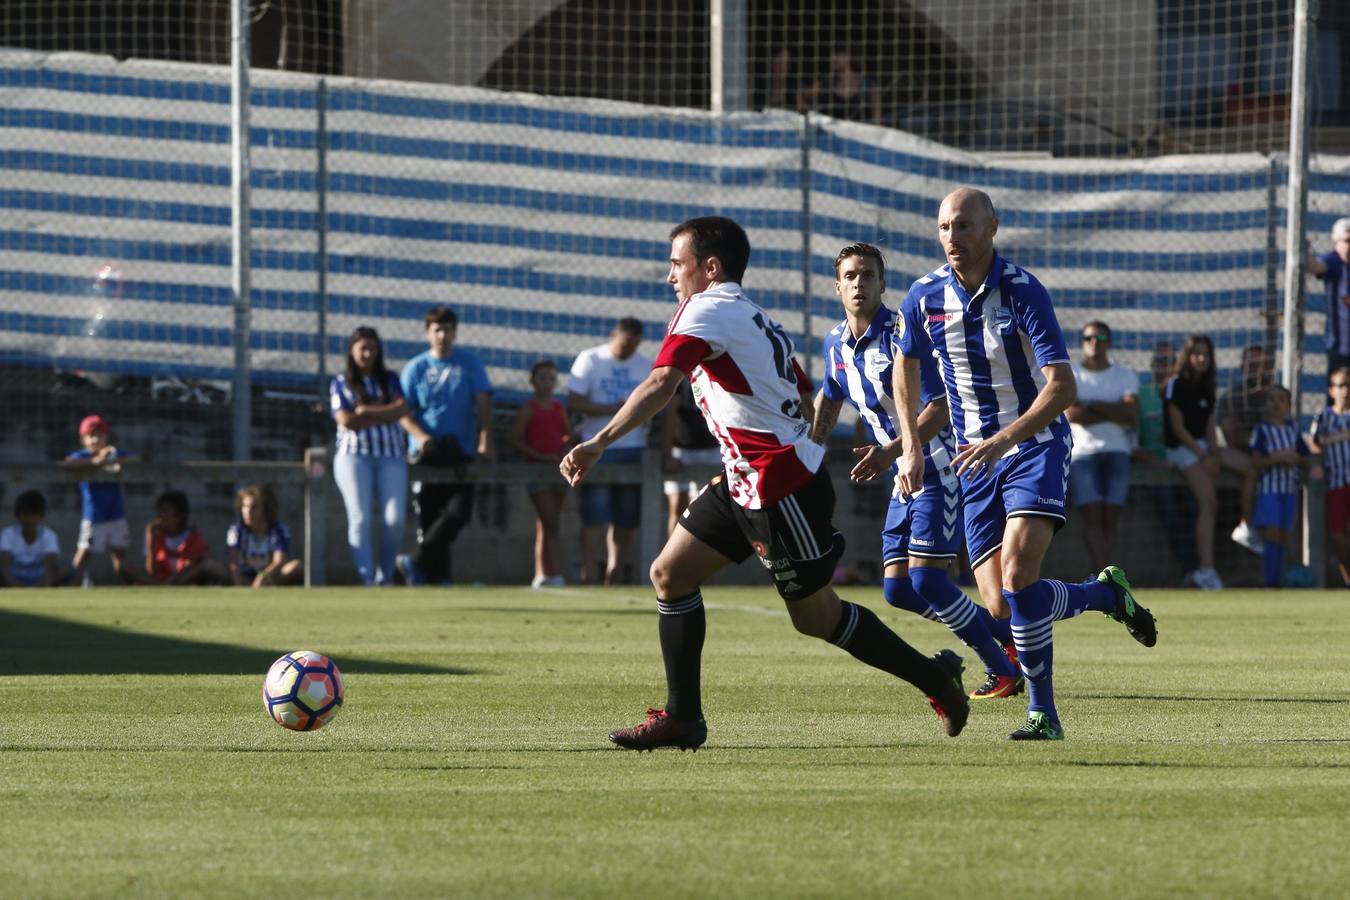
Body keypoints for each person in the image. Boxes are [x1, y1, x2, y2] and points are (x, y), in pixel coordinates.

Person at [560, 215, 970, 752]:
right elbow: (801, 395)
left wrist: (599, 441)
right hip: (747, 477)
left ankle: (935, 679)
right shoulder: (755, 316)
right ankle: (684, 718)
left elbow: (664, 381)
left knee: (816, 617)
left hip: (777, 486)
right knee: (670, 574)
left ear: (709, 268)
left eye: (675, 264)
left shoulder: (704, 308)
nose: (670, 277)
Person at [895, 187, 1157, 742]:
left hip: (1034, 445)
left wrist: (1003, 439)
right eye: (944, 227)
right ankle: (1107, 595)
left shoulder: (1021, 291)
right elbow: (905, 368)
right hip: (975, 460)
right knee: (1001, 604)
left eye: (964, 226)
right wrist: (910, 446)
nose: (952, 238)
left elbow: (1062, 388)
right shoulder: (923, 296)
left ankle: (1044, 715)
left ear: (992, 227)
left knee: (1018, 576)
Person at [813, 242, 1021, 700]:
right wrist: (809, 447)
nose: (859, 284)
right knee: (899, 590)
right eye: (850, 276)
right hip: (904, 474)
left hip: (940, 466)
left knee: (928, 579)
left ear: (882, 285)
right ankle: (1005, 638)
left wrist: (892, 451)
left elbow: (942, 405)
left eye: (868, 275)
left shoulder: (903, 335)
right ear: (837, 286)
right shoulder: (834, 344)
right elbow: (829, 395)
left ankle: (1002, 668)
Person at [398, 307, 494, 586]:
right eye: (437, 330)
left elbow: (483, 402)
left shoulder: (469, 363)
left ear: (455, 332)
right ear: (428, 333)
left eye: (448, 329)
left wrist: (486, 436)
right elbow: (403, 411)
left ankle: (414, 562)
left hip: (460, 451)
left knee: (458, 513)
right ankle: (438, 577)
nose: (443, 335)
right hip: (426, 453)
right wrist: (422, 436)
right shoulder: (416, 367)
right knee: (429, 517)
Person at [1163, 333, 1256, 590]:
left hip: (1203, 448)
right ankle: (1206, 570)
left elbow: (1209, 425)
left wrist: (1214, 454)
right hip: (1180, 449)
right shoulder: (1175, 383)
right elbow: (1177, 428)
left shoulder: (1208, 384)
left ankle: (1246, 526)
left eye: (1206, 354)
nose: (1201, 358)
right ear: (1187, 356)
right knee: (1210, 502)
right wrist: (1204, 456)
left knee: (1249, 467)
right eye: (1196, 353)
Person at [567, 317, 653, 585]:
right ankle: (588, 569)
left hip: (633, 446)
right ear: (614, 335)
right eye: (624, 342)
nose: (628, 349)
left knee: (626, 516)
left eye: (633, 344)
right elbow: (575, 401)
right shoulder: (590, 359)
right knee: (594, 513)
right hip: (596, 446)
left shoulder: (644, 365)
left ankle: (614, 570)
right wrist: (618, 410)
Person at [331, 326, 409, 586]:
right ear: (352, 350)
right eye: (363, 348)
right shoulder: (341, 382)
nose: (368, 353)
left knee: (395, 519)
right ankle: (367, 578)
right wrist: (380, 414)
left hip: (390, 455)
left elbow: (401, 410)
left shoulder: (390, 379)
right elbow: (346, 420)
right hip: (354, 456)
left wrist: (365, 411)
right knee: (360, 517)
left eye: (373, 348)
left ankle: (385, 575)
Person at [1066, 321, 1139, 573]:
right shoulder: (1072, 373)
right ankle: (1102, 575)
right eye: (1089, 338)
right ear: (1082, 342)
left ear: (1110, 341)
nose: (1095, 342)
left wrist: (1091, 404)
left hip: (1118, 450)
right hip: (1082, 453)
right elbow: (1072, 414)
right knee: (1092, 516)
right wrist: (1112, 409)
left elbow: (1131, 413)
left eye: (1100, 337)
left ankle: (1105, 573)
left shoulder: (1125, 375)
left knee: (1111, 518)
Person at [509, 359, 571, 588]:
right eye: (543, 377)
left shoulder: (558, 407)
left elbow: (566, 434)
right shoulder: (528, 408)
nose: (548, 382)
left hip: (558, 471)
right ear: (533, 381)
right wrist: (540, 456)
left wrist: (565, 448)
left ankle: (545, 573)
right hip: (536, 471)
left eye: (552, 378)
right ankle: (550, 571)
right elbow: (516, 439)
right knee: (549, 520)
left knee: (547, 523)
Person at [61, 414, 135, 585]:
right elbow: (67, 464)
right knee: (84, 553)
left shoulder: (111, 453)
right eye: (91, 436)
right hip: (94, 516)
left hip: (115, 514)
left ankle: (131, 587)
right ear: (83, 439)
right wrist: (95, 461)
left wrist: (112, 457)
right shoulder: (82, 456)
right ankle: (71, 586)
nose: (95, 439)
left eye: (99, 435)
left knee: (120, 557)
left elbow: (135, 459)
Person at [1248, 385, 1309, 587]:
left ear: (1288, 405)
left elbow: (1305, 457)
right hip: (1269, 491)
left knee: (1285, 535)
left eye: (1280, 400)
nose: (1275, 403)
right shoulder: (1261, 431)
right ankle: (1270, 582)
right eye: (1271, 399)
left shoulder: (1293, 429)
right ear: (1265, 405)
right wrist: (1277, 458)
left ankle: (1282, 579)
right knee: (1272, 534)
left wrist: (1296, 458)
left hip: (1289, 490)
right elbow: (1255, 461)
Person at [1215, 344, 1269, 555]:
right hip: (1241, 459)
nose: (1256, 369)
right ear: (1242, 368)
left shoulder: (1275, 395)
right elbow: (1233, 435)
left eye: (1261, 364)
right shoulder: (1232, 397)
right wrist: (1264, 439)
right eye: (1251, 364)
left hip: (1271, 461)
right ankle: (1246, 526)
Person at [660, 379, 723, 538]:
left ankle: (697, 556)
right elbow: (670, 413)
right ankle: (674, 557)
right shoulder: (680, 375)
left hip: (712, 448)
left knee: (703, 508)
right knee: (676, 507)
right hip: (681, 448)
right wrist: (667, 454)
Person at [1308, 367, 1350, 585]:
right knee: (1337, 536)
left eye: (1348, 386)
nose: (1346, 391)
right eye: (1341, 385)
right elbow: (1314, 444)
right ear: (1332, 390)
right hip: (1337, 483)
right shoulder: (1323, 418)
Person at [144, 491, 228, 585]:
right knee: (127, 567)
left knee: (209, 566)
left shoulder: (194, 537)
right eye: (159, 511)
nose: (159, 516)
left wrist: (172, 581)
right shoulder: (156, 535)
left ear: (180, 515)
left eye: (165, 511)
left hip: (183, 580)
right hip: (161, 581)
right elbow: (151, 571)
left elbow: (191, 567)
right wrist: (150, 541)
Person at [226, 484, 303, 587]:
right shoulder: (236, 530)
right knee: (213, 568)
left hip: (269, 576)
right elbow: (233, 561)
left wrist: (262, 576)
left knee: (296, 566)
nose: (248, 512)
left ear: (266, 508)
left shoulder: (278, 530)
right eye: (245, 506)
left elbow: (279, 561)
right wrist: (239, 583)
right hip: (244, 576)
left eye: (254, 507)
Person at [1307, 217, 1350, 376]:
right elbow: (1316, 267)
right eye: (1347, 241)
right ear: (1335, 243)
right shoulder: (1335, 264)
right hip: (1341, 350)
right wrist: (1304, 252)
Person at [0, 490, 70, 587]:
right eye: (25, 514)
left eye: (34, 514)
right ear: (17, 516)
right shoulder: (8, 534)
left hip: (39, 576)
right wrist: (16, 586)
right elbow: (5, 566)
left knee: (68, 568)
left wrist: (43, 586)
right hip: (15, 575)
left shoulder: (49, 535)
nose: (29, 519)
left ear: (42, 516)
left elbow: (50, 567)